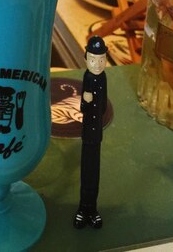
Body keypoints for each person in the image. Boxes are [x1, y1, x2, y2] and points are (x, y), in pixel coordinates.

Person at [74, 35, 108, 229]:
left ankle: (92, 209)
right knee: (87, 171)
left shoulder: (103, 77)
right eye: (93, 60)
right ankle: (83, 208)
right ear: (86, 59)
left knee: (94, 172)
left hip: (96, 134)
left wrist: (93, 105)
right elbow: (82, 107)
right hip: (87, 132)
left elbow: (103, 105)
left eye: (101, 59)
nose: (97, 64)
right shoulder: (88, 77)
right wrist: (85, 102)